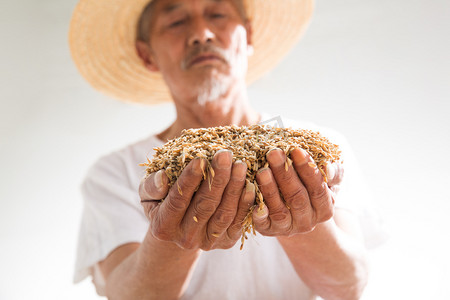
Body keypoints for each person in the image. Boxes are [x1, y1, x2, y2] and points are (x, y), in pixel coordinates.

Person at [70, 0, 386, 299]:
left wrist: (299, 218)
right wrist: (170, 236)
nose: (201, 34)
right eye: (177, 21)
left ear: (247, 35)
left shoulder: (316, 147)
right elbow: (125, 295)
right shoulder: (117, 172)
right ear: (147, 55)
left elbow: (348, 286)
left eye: (218, 14)